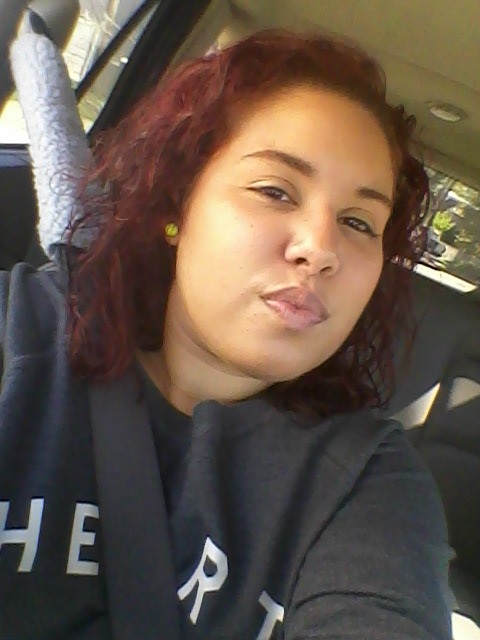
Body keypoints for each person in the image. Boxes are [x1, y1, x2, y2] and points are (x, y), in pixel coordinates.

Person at [0, 30, 452, 639]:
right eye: (275, 191)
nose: (321, 249)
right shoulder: (20, 332)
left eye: (357, 222)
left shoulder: (366, 483)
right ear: (177, 205)